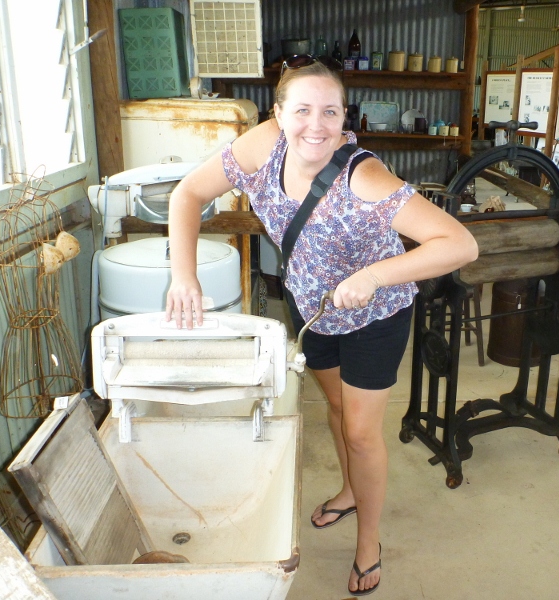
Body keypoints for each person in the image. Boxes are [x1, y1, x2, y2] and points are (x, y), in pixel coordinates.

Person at [165, 56, 477, 596]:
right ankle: (350, 490)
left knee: (360, 431)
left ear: (344, 116)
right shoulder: (260, 149)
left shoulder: (366, 177)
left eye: (330, 112)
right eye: (303, 110)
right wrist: (183, 277)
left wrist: (376, 275)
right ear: (278, 114)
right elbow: (187, 194)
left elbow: (460, 244)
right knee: (334, 409)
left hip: (375, 316)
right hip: (312, 309)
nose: (317, 125)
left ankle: (369, 542)